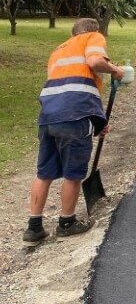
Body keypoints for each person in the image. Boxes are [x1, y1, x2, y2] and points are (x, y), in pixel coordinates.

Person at [23, 18, 125, 246]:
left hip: (49, 116)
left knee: (44, 172)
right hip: (74, 116)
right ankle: (67, 224)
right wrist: (115, 70)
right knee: (74, 172)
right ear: (92, 31)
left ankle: (34, 228)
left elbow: (70, 86)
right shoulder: (92, 37)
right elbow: (96, 61)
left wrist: (97, 124)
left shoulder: (58, 50)